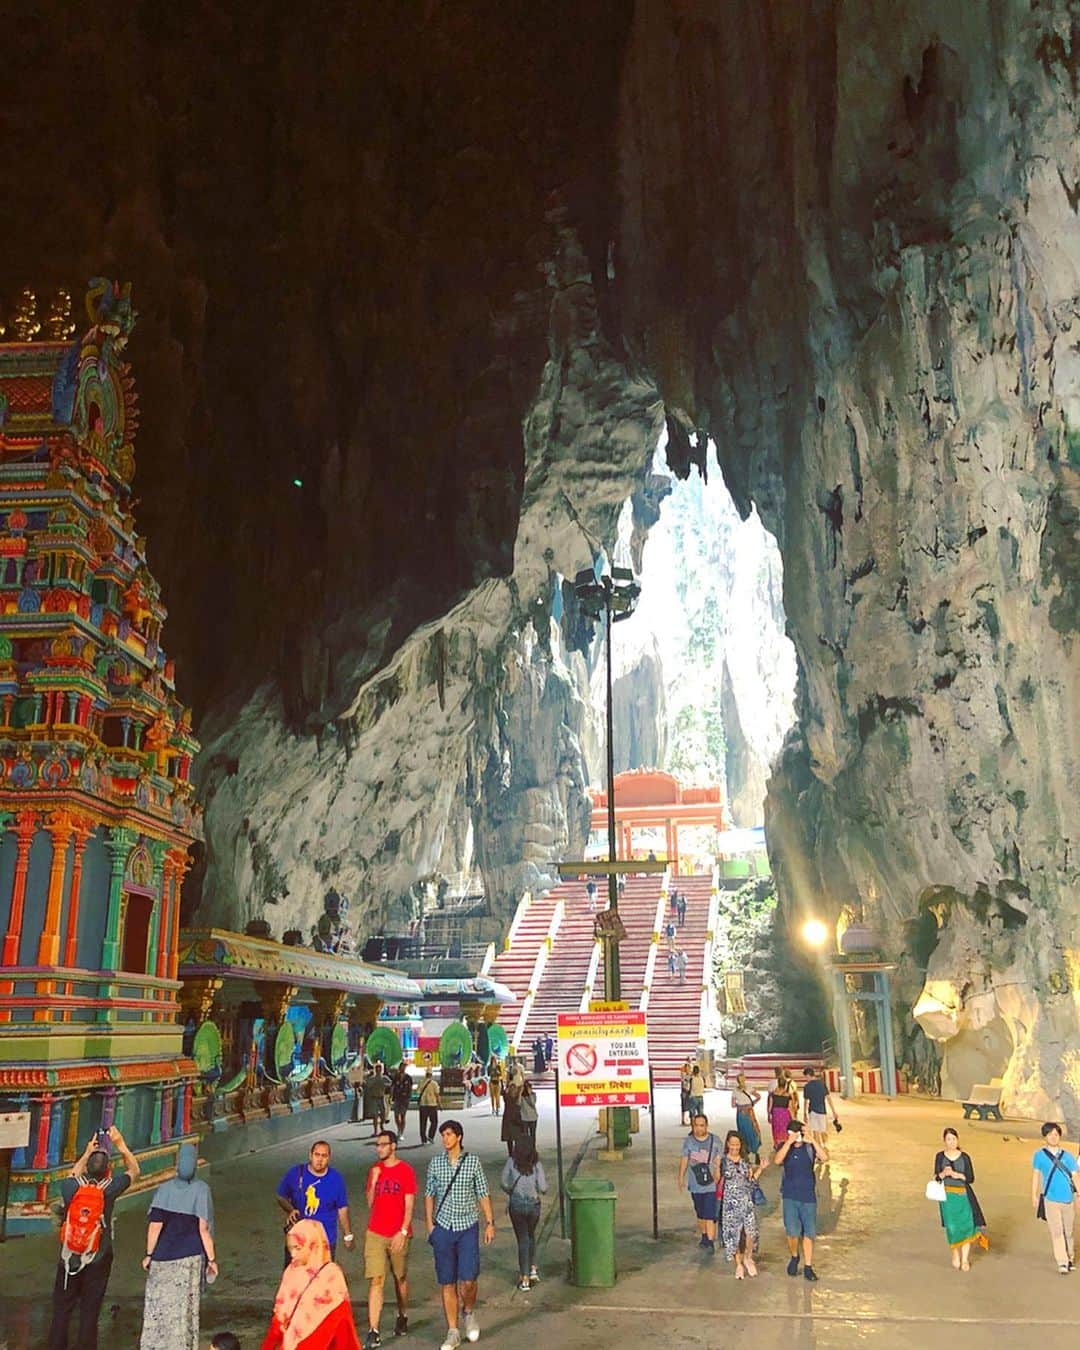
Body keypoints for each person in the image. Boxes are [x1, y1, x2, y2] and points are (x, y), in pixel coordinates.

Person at [48, 1124, 140, 1350]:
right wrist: (120, 1145)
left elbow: (74, 1173)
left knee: (62, 1310)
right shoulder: (109, 1188)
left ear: (88, 1166)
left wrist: (87, 1153)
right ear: (108, 1169)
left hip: (69, 1258)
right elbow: (135, 1171)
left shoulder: (70, 1186)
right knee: (90, 1311)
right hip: (99, 1257)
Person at [424, 1120, 496, 1350]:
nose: (445, 1139)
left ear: (459, 1137)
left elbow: (483, 1192)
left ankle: (469, 1311)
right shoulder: (436, 1163)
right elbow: (429, 1194)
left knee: (468, 1279)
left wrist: (489, 1222)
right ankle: (453, 1331)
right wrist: (429, 1225)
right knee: (447, 1281)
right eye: (443, 1135)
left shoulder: (472, 1162)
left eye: (449, 1134)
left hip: (467, 1226)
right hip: (443, 1228)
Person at [139, 1142, 216, 1350]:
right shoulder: (201, 1190)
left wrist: (149, 1254)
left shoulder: (164, 1190)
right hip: (190, 1260)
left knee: (158, 1308)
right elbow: (204, 1229)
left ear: (177, 1162)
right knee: (184, 1309)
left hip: (163, 1258)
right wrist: (212, 1259)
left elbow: (154, 1227)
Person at [260, 1219, 361, 1349]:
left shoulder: (331, 1275)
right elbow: (280, 1316)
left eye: (298, 1248)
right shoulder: (291, 1271)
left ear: (312, 1244)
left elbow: (342, 1322)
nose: (293, 1254)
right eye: (290, 1249)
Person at [363, 1130, 416, 1348]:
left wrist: (403, 1231)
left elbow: (410, 1204)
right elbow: (369, 1203)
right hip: (375, 1232)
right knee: (376, 1280)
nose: (379, 1149)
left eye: (383, 1145)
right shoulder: (374, 1170)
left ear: (393, 1146)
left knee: (400, 1277)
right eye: (377, 1145)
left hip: (398, 1232)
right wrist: (374, 1181)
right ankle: (373, 1330)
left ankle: (402, 1314)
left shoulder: (405, 1171)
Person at [276, 1141, 354, 1262]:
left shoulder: (336, 1179)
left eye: (324, 1156)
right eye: (317, 1155)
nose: (320, 1159)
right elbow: (281, 1196)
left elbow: (342, 1208)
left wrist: (348, 1235)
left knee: (321, 1278)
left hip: (325, 1240)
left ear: (329, 1158)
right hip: (299, 1240)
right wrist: (291, 1210)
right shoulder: (295, 1174)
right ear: (310, 1155)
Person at [774, 1119, 828, 1281]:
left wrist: (812, 1140)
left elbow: (824, 1158)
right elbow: (777, 1160)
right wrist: (789, 1143)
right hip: (790, 1196)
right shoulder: (785, 1148)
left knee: (809, 1233)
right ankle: (794, 1255)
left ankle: (808, 1266)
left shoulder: (810, 1148)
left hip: (808, 1196)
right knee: (792, 1232)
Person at [934, 1127, 988, 1270]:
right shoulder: (940, 1156)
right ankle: (955, 1254)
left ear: (958, 1140)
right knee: (952, 1227)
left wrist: (958, 1175)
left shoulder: (965, 1157)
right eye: (948, 1139)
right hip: (947, 1197)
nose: (951, 1142)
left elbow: (970, 1178)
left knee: (966, 1226)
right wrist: (943, 1174)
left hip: (963, 1195)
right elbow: (936, 1177)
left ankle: (965, 1258)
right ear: (944, 1141)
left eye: (953, 1139)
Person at [501, 1139, 547, 1290]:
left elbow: (503, 1182)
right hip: (534, 1206)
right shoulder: (537, 1164)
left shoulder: (511, 1162)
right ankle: (532, 1268)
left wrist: (511, 1191)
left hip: (517, 1205)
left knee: (522, 1239)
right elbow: (543, 1187)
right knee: (530, 1235)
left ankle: (525, 1277)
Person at [1031, 1121, 1077, 1273]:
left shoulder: (1068, 1157)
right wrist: (1034, 1195)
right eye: (1050, 1134)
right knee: (1056, 1231)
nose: (1053, 1137)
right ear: (1045, 1136)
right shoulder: (1039, 1156)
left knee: (1068, 1231)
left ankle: (1070, 1257)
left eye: (1056, 1134)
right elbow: (1036, 1176)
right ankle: (1062, 1262)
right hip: (1050, 1198)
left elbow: (1075, 1177)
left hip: (1068, 1198)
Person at [718, 1131, 762, 1278]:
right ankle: (738, 1264)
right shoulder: (723, 1161)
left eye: (737, 1144)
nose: (735, 1147)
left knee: (750, 1232)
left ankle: (748, 1258)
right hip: (730, 1203)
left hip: (746, 1200)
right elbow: (716, 1180)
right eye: (732, 1144)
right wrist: (715, 1166)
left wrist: (760, 1169)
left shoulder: (745, 1161)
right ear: (728, 1144)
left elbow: (751, 1181)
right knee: (733, 1233)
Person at [677, 1114, 721, 1252]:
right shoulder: (689, 1141)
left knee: (710, 1214)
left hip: (711, 1184)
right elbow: (685, 1159)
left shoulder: (715, 1141)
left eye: (702, 1125)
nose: (699, 1128)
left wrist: (718, 1171)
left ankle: (710, 1241)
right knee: (700, 1213)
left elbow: (719, 1159)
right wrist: (680, 1177)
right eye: (696, 1125)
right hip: (695, 1184)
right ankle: (704, 1235)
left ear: (706, 1126)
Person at [801, 1066, 839, 1148]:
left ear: (808, 1075)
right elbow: (828, 1098)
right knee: (823, 1131)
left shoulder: (807, 1086)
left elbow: (805, 1101)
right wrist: (833, 1112)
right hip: (822, 1111)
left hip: (812, 1111)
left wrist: (804, 1114)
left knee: (815, 1132)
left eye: (805, 1077)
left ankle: (818, 1150)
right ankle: (825, 1147)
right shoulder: (822, 1084)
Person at [732, 1073, 762, 1163]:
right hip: (749, 1112)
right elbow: (758, 1096)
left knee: (743, 1133)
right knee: (753, 1131)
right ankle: (756, 1152)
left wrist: (740, 1106)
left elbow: (733, 1105)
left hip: (741, 1114)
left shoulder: (735, 1091)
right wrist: (752, 1103)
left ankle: (745, 1153)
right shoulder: (749, 1087)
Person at [363, 1064, 391, 1136]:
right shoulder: (372, 1078)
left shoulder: (384, 1078)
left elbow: (390, 1083)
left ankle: (381, 1125)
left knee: (383, 1113)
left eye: (380, 1069)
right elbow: (367, 1085)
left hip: (381, 1097)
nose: (378, 1071)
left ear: (381, 1070)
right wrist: (373, 1083)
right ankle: (375, 1131)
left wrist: (385, 1085)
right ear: (375, 1070)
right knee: (375, 1115)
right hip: (374, 1098)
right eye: (377, 1069)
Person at [418, 1070, 441, 1142]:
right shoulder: (434, 1083)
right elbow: (437, 1095)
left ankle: (423, 1139)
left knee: (423, 1123)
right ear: (431, 1075)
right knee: (434, 1122)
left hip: (423, 1105)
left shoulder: (421, 1082)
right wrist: (439, 1104)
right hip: (432, 1105)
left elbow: (418, 1091)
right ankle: (431, 1136)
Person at [501, 1082, 523, 1159]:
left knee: (516, 1137)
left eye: (514, 1088)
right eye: (512, 1088)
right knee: (510, 1137)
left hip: (514, 1118)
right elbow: (503, 1092)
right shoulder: (508, 1097)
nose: (513, 1089)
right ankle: (511, 1153)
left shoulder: (516, 1097)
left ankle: (515, 1152)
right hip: (510, 1118)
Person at [390, 1065, 412, 1138]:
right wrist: (391, 1096)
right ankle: (398, 1128)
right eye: (402, 1067)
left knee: (403, 1116)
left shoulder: (408, 1077)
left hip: (405, 1099)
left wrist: (409, 1096)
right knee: (396, 1116)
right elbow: (392, 1087)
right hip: (397, 1098)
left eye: (404, 1067)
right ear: (399, 1068)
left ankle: (401, 1132)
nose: (403, 1068)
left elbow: (410, 1088)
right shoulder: (396, 1077)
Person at [679, 1059, 694, 1127]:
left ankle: (691, 1120)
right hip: (685, 1091)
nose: (689, 1069)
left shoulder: (689, 1075)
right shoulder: (684, 1075)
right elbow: (684, 1081)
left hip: (689, 1091)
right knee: (684, 1106)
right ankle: (683, 1120)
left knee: (690, 1106)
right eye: (688, 1068)